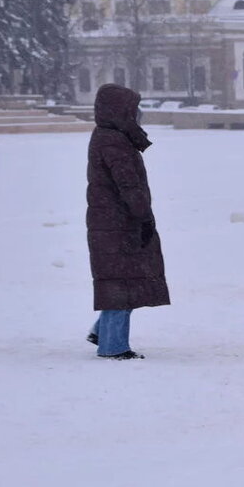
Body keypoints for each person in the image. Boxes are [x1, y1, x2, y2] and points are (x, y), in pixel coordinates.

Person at [85, 84, 170, 359]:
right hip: (118, 223)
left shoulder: (110, 136)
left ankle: (103, 332)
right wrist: (143, 217)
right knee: (120, 283)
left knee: (123, 280)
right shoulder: (114, 142)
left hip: (114, 221)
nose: (137, 115)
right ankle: (113, 346)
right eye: (133, 110)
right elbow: (128, 185)